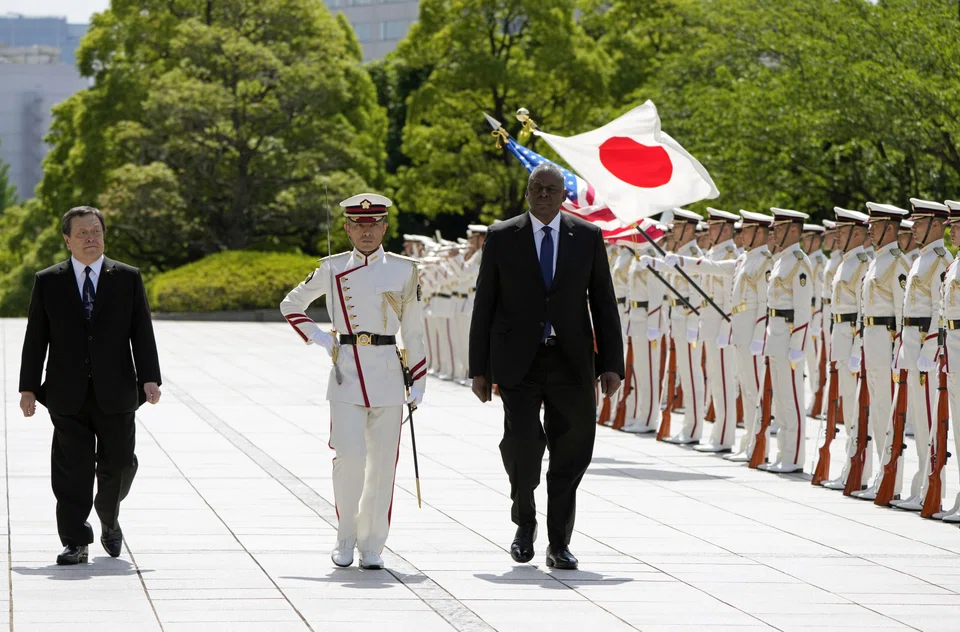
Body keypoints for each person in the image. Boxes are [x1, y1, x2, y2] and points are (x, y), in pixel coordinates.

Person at [469, 163, 623, 570]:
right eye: (536, 188)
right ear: (526, 193)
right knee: (521, 445)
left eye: (551, 189)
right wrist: (479, 369)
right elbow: (484, 303)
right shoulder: (503, 236)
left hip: (570, 360)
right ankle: (525, 521)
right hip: (518, 361)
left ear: (563, 196)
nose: (543, 195)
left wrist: (611, 363)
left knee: (572, 451)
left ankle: (559, 542)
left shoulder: (586, 236)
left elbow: (603, 302)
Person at [280, 193, 426, 570]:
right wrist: (323, 338)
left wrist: (419, 381)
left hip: (389, 374)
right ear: (346, 227)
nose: (366, 231)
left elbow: (414, 331)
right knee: (349, 458)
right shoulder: (330, 268)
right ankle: (345, 534)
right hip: (346, 373)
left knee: (382, 466)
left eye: (373, 224)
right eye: (358, 225)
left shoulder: (404, 270)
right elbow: (291, 304)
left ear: (385, 227)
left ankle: (372, 543)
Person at [18, 206, 162, 565]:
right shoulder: (48, 280)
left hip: (117, 391)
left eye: (95, 231)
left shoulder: (127, 277)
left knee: (121, 464)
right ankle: (75, 540)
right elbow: (36, 337)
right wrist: (28, 388)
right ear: (67, 239)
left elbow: (141, 331)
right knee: (72, 470)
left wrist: (150, 378)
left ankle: (108, 516)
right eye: (81, 233)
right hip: (67, 392)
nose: (90, 238)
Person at [889, 199, 952, 512]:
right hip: (912, 344)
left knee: (928, 421)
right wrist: (903, 346)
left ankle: (930, 488)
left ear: (936, 226)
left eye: (919, 222)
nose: (912, 228)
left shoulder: (940, 260)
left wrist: (929, 349)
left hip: (926, 348)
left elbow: (939, 311)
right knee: (917, 416)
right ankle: (921, 486)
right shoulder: (921, 259)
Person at [852, 202, 910, 501]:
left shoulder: (897, 262)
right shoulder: (877, 261)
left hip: (886, 341)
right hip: (871, 340)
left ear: (891, 228)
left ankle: (893, 480)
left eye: (875, 225)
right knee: (877, 411)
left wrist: (898, 349)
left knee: (889, 412)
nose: (870, 229)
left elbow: (903, 311)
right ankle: (881, 475)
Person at [758, 208, 813, 474]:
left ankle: (794, 458)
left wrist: (797, 346)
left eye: (779, 227)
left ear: (794, 229)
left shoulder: (799, 261)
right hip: (776, 332)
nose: (774, 231)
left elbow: (803, 309)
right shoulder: (781, 260)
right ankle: (783, 454)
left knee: (791, 400)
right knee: (780, 399)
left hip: (789, 335)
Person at [822, 207, 871, 490]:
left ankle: (859, 472)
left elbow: (862, 312)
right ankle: (851, 467)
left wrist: (856, 348)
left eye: (842, 231)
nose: (837, 236)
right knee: (847, 411)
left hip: (853, 339)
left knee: (856, 411)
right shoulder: (845, 262)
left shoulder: (862, 263)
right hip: (840, 337)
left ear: (856, 233)